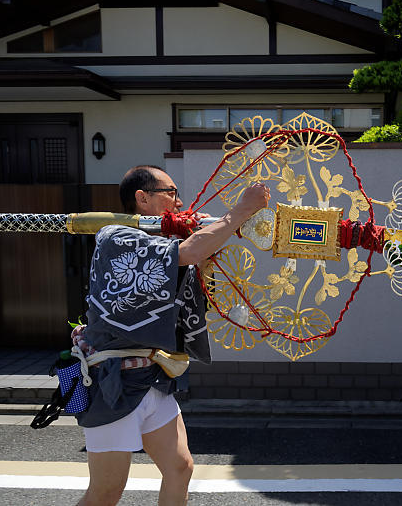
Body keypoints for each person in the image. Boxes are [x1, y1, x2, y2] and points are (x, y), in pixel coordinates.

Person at [75, 165, 269, 506]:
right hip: (113, 382)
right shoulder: (116, 236)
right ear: (142, 197)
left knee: (181, 468)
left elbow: (190, 271)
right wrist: (243, 210)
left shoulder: (166, 239)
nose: (179, 201)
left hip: (155, 376)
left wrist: (205, 257)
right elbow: (189, 254)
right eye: (171, 192)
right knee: (106, 492)